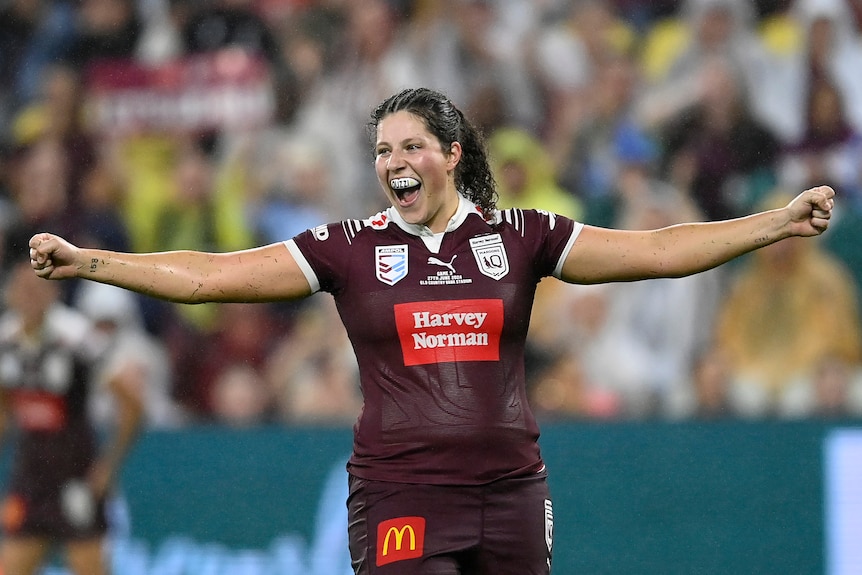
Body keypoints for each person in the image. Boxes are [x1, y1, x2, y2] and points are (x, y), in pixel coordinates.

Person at [27, 87, 836, 575]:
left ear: (451, 153)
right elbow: (209, 275)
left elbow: (658, 251)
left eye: (410, 144)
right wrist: (91, 261)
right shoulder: (349, 247)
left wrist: (775, 222)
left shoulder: (521, 235)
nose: (393, 160)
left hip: (513, 491)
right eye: (382, 150)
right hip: (402, 493)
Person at [0, 261, 144, 575]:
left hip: (76, 476)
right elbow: (4, 405)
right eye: (21, 289)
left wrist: (108, 467)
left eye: (37, 289)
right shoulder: (6, 341)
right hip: (29, 476)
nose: (29, 297)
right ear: (9, 294)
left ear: (54, 293)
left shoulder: (77, 339)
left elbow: (133, 404)